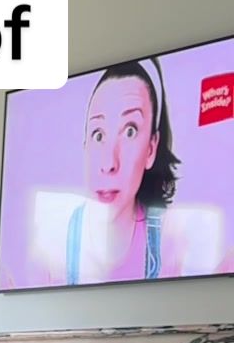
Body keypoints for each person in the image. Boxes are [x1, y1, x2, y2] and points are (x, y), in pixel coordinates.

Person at [65, 58, 180, 284]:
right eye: (98, 134)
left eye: (130, 131)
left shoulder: (173, 244)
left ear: (151, 148)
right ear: (85, 145)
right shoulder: (53, 245)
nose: (109, 162)